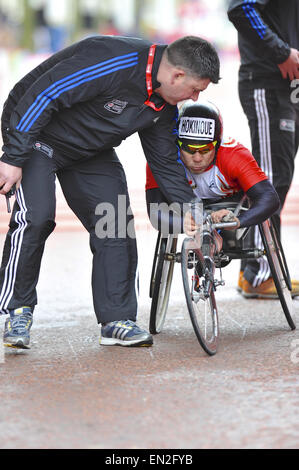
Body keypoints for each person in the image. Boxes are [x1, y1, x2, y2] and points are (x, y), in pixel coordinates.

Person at [0, 35, 220, 349]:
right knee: (37, 217)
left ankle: (116, 320)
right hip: (36, 135)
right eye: (195, 89)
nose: (194, 98)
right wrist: (13, 156)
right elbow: (44, 94)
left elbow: (166, 164)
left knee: (114, 221)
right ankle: (17, 310)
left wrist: (193, 210)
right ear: (177, 76)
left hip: (88, 149)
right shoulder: (115, 60)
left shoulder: (165, 103)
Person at [227, 0, 299, 298]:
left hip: (289, 86)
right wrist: (280, 51)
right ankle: (258, 272)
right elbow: (241, 7)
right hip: (268, 82)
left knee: (279, 176)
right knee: (269, 179)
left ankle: (255, 269)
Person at [146, 99, 280, 246]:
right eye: (189, 149)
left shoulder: (234, 155)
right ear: (176, 144)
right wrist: (181, 223)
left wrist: (238, 221)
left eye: (205, 149)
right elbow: (155, 212)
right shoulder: (162, 158)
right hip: (186, 209)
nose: (197, 158)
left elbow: (269, 198)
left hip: (230, 207)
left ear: (217, 145)